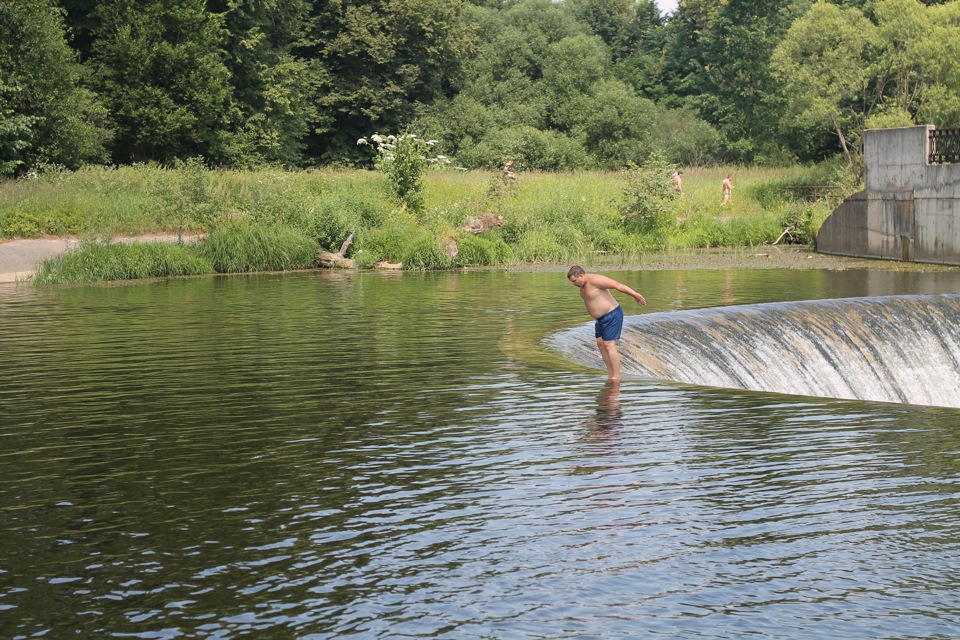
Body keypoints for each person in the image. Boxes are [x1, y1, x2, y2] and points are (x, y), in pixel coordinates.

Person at [567, 266, 646, 380]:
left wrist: (635, 294)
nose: (573, 284)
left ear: (581, 275)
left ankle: (616, 376)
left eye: (574, 281)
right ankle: (611, 374)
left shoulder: (595, 280)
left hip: (612, 315)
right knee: (600, 344)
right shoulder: (583, 285)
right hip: (600, 319)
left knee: (609, 344)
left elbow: (617, 285)